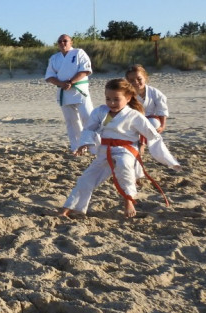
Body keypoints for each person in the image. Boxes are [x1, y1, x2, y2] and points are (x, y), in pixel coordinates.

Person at [60, 78, 181, 219]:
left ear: (128, 98)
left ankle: (128, 201)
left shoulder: (134, 115)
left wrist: (169, 161)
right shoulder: (100, 112)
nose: (111, 103)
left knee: (124, 169)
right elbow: (89, 129)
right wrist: (84, 144)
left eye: (116, 99)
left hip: (126, 150)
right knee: (86, 178)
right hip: (105, 150)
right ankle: (71, 208)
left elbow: (153, 137)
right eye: (108, 99)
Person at [45, 34, 93, 151]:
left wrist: (71, 82)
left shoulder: (79, 53)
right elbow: (50, 76)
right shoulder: (54, 58)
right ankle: (77, 147)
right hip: (64, 93)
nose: (62, 43)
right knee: (71, 121)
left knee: (88, 118)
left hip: (80, 91)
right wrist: (61, 84)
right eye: (60, 41)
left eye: (65, 41)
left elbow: (85, 70)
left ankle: (94, 145)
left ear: (71, 42)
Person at [125, 64, 169, 133]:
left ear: (145, 77)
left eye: (139, 79)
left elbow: (162, 110)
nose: (136, 82)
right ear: (127, 81)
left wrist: (162, 126)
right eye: (132, 80)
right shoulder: (125, 94)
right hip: (133, 121)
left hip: (151, 121)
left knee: (154, 123)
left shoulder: (155, 92)